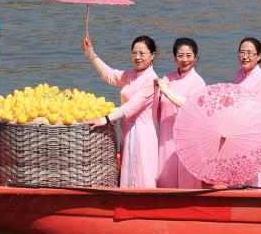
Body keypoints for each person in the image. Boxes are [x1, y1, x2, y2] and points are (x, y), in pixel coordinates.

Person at [82, 35, 159, 188]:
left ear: (152, 55)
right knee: (128, 174)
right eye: (134, 53)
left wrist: (104, 119)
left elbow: (130, 107)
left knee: (141, 176)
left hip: (142, 134)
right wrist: (90, 53)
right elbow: (110, 75)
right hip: (128, 131)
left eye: (142, 53)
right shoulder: (131, 75)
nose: (137, 57)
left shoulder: (151, 79)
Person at [155, 38, 207, 188]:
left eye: (189, 55)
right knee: (165, 176)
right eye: (180, 55)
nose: (185, 60)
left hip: (187, 136)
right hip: (166, 134)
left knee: (187, 179)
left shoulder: (198, 82)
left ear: (195, 57)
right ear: (174, 57)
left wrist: (165, 91)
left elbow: (189, 105)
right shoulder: (167, 78)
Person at [233, 37, 261, 189]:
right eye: (242, 52)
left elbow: (260, 112)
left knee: (256, 176)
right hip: (239, 131)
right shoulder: (239, 74)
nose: (245, 56)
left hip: (255, 133)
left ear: (259, 56)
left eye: (250, 53)